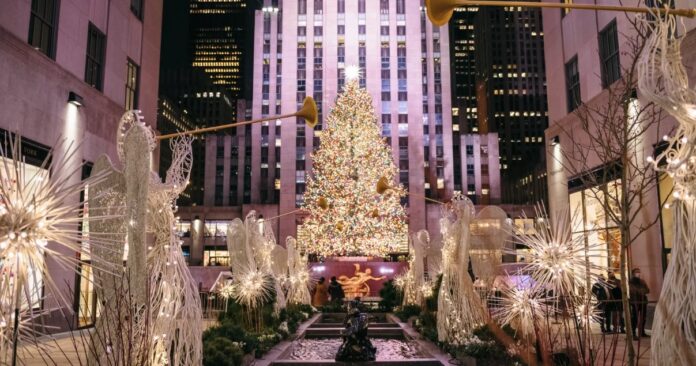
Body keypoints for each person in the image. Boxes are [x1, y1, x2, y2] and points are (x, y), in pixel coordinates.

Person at [629, 268, 650, 337]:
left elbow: (647, 290)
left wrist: (641, 291)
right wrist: (641, 291)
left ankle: (642, 332)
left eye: (639, 272)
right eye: (637, 272)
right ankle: (633, 333)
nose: (638, 273)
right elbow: (633, 291)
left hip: (643, 301)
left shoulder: (642, 281)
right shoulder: (631, 282)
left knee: (643, 317)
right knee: (635, 317)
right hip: (635, 301)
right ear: (633, 273)